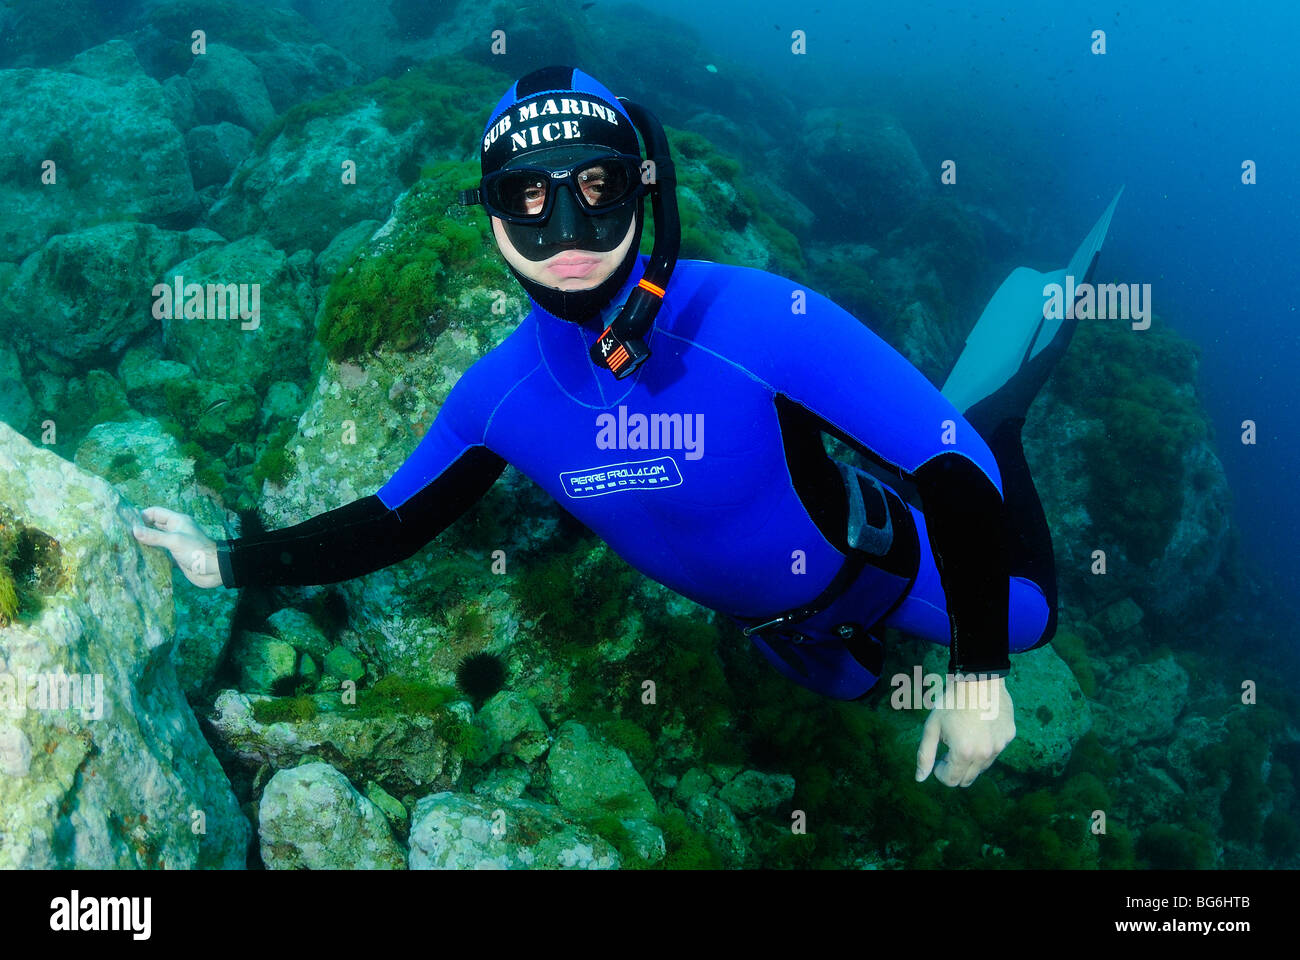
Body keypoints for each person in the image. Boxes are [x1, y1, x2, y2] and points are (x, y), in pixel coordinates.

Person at [134, 66, 1121, 789]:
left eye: (596, 191)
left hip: (876, 561)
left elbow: (950, 471)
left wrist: (980, 672)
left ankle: (1004, 404)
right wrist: (224, 561)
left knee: (1029, 615)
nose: (565, 234)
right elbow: (394, 520)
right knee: (847, 688)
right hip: (773, 624)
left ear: (642, 193)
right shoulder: (498, 397)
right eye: (528, 199)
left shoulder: (750, 320)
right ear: (489, 218)